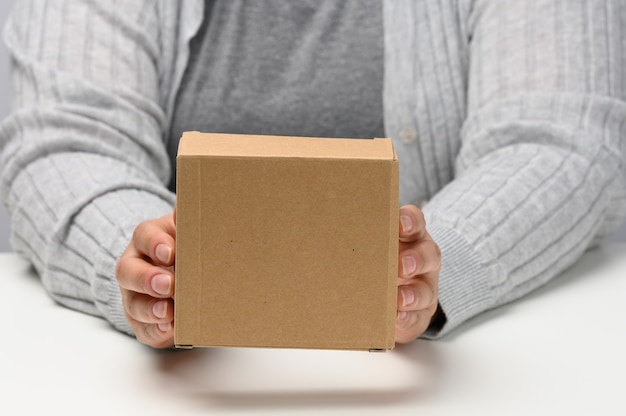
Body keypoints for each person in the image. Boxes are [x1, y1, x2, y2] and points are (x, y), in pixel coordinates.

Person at [0, 0, 624, 349]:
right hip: (174, 384)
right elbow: (64, 136)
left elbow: (558, 137)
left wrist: (432, 268)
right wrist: (146, 268)